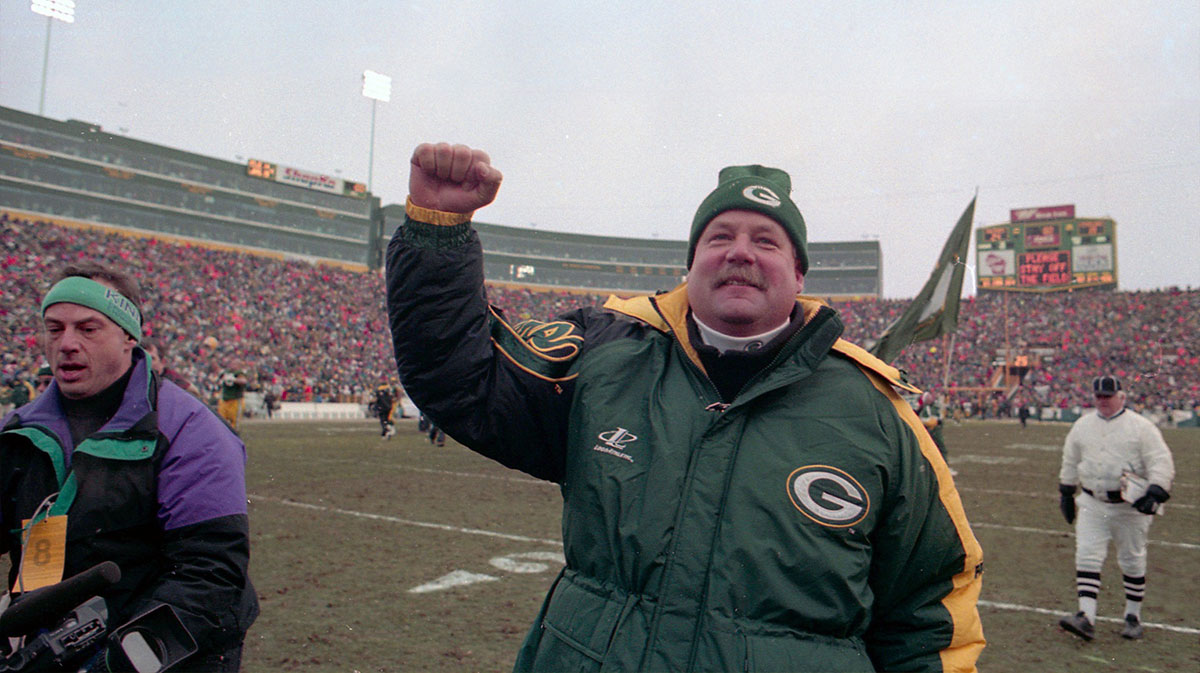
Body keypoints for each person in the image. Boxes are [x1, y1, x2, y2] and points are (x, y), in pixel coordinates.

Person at [386, 143, 985, 671]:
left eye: (766, 241)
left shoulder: (877, 413)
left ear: (799, 272)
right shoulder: (605, 353)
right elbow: (461, 380)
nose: (740, 253)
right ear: (691, 263)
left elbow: (930, 612)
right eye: (719, 237)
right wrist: (439, 230)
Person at [0, 262, 258, 670]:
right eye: (54, 328)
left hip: (166, 656)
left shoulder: (191, 430)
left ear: (128, 336)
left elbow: (211, 573)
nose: (66, 343)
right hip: (45, 650)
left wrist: (111, 663)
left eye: (88, 329)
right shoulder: (16, 433)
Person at [1057, 375, 1175, 641]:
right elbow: (1070, 458)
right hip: (1092, 501)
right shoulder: (1082, 425)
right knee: (1087, 555)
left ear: (1121, 396)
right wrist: (1066, 490)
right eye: (1099, 396)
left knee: (1132, 559)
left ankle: (1133, 615)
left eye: (1108, 396)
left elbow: (1160, 460)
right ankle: (1086, 617)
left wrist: (1156, 491)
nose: (1103, 401)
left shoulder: (1141, 427)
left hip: (1128, 506)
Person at [216, 365, 248, 430]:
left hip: (235, 400)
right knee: (220, 420)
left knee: (234, 422)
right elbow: (219, 377)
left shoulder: (240, 373)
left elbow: (243, 381)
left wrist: (234, 379)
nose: (232, 366)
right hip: (225, 400)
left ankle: (233, 437)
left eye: (235, 364)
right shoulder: (225, 372)